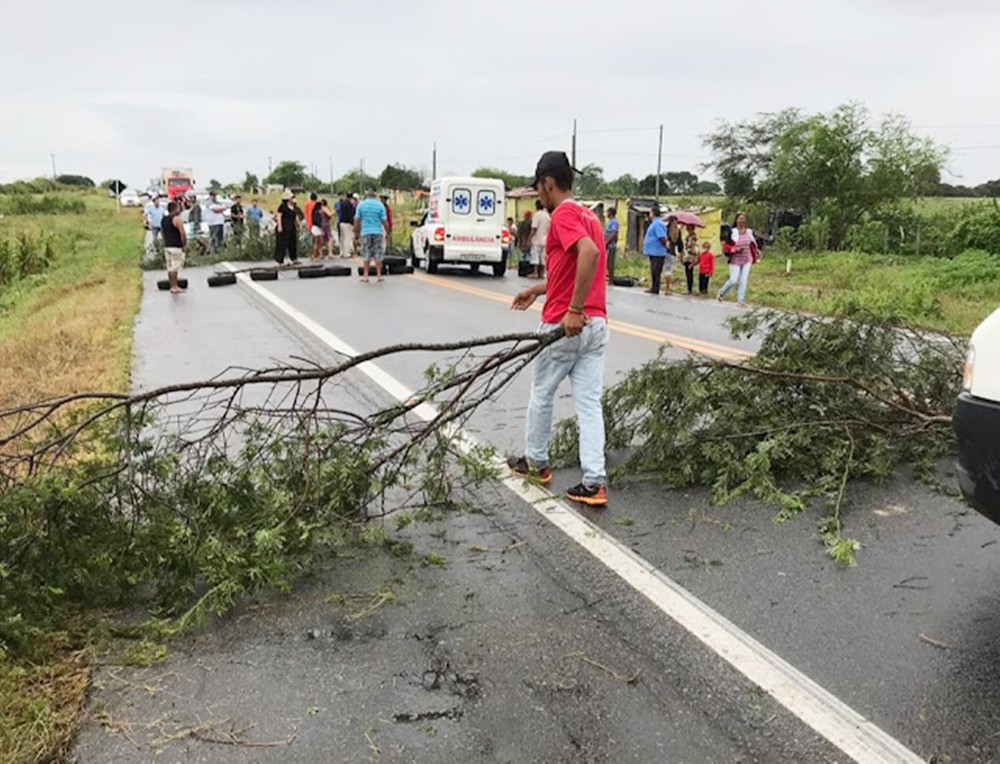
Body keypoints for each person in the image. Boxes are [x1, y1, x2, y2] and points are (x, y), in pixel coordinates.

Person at [508, 150, 609, 508]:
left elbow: (589, 255)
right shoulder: (589, 216)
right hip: (596, 326)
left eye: (539, 189)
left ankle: (536, 462)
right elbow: (572, 271)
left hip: (567, 325)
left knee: (542, 394)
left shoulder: (563, 213)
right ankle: (594, 482)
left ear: (548, 183)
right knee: (589, 403)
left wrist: (573, 310)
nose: (539, 196)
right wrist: (536, 290)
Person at [718, 212, 757, 306]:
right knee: (733, 280)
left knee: (743, 281)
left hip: (746, 259)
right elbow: (726, 246)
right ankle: (721, 292)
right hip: (735, 260)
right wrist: (734, 250)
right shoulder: (733, 232)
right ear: (736, 220)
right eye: (740, 219)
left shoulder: (749, 232)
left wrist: (756, 255)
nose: (742, 221)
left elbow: (753, 245)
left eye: (743, 219)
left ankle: (740, 301)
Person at [354, 188, 388, 283]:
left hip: (365, 232)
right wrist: (387, 232)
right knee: (378, 253)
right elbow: (384, 221)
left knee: (366, 253)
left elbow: (357, 220)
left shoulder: (361, 205)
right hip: (377, 232)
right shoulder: (380, 205)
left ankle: (366, 276)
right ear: (375, 196)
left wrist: (356, 233)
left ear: (366, 196)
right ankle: (379, 275)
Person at [161, 200, 187, 294]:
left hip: (167, 245)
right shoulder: (177, 219)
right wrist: (184, 244)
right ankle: (174, 286)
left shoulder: (164, 219)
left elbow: (162, 232)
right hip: (176, 246)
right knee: (175, 267)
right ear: (175, 209)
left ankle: (172, 285)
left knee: (169, 266)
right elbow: (182, 233)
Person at [642, 205, 668, 294]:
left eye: (650, 212)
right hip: (654, 251)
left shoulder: (657, 224)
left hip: (657, 251)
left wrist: (666, 245)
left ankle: (655, 288)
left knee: (656, 270)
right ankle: (654, 287)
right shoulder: (655, 223)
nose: (649, 214)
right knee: (654, 270)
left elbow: (661, 237)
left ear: (653, 213)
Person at [274, 190, 300, 266]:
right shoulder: (283, 206)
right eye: (292, 197)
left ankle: (294, 258)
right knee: (282, 243)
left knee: (292, 242)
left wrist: (298, 225)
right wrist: (280, 226)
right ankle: (280, 261)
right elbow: (279, 216)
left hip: (291, 226)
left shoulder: (293, 207)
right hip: (284, 225)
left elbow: (295, 217)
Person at [528, 199, 550, 279]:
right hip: (545, 239)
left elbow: (534, 228)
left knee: (535, 256)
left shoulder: (536, 215)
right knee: (543, 256)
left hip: (537, 239)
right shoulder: (547, 215)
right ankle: (542, 273)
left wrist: (529, 238)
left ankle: (535, 272)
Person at [662, 214, 683, 295]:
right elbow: (680, 245)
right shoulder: (677, 232)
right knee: (669, 271)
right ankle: (668, 288)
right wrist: (681, 254)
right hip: (672, 253)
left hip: (663, 252)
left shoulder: (665, 229)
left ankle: (664, 287)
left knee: (662, 270)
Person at [338, 190, 356, 258]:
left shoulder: (342, 203)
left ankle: (342, 252)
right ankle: (347, 253)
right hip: (347, 223)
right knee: (347, 238)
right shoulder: (349, 204)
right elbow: (350, 215)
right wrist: (352, 223)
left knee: (342, 238)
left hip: (341, 222)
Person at [604, 207, 620, 284]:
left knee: (610, 262)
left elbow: (614, 233)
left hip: (611, 245)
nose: (606, 214)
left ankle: (611, 280)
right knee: (607, 262)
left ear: (610, 213)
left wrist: (607, 242)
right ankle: (608, 278)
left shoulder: (614, 222)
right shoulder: (609, 221)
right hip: (608, 244)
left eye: (607, 212)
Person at [682, 224, 699, 295]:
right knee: (688, 273)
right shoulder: (688, 237)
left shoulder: (693, 237)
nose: (688, 230)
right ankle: (689, 288)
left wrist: (689, 248)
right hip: (687, 257)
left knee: (689, 273)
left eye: (689, 228)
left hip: (690, 257)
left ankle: (689, 289)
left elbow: (694, 248)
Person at [309, 196, 325, 262]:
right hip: (317, 228)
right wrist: (321, 229)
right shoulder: (317, 213)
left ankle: (316, 255)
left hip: (315, 228)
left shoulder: (315, 212)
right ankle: (315, 256)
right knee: (317, 242)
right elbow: (318, 222)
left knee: (319, 242)